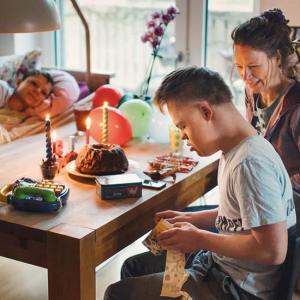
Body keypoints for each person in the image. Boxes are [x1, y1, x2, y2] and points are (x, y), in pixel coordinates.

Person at [104, 66, 296, 300]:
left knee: (117, 294)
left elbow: (273, 251)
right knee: (133, 267)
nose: (183, 136)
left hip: (236, 288)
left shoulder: (250, 164)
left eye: (183, 125)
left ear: (206, 111)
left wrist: (199, 237)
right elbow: (241, 218)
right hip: (221, 266)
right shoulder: (237, 148)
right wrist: (194, 219)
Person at [231, 8, 300, 223]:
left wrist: (274, 186)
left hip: (286, 213)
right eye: (239, 67)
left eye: (253, 66)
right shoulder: (252, 93)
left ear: (277, 57)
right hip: (257, 204)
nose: (246, 76)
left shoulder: (296, 107)